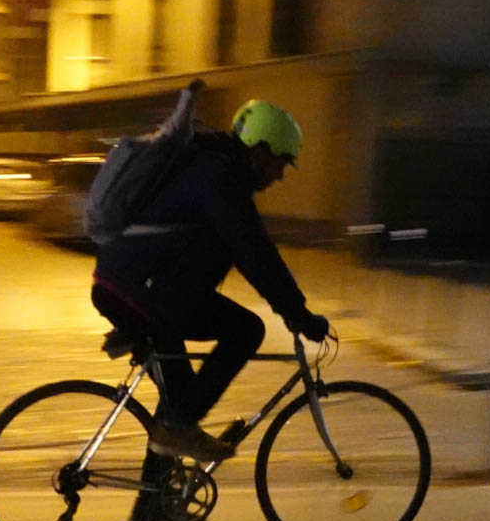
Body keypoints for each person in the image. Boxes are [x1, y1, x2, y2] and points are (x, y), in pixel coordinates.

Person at [90, 99, 331, 475]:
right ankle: (176, 433)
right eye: (281, 162)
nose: (281, 175)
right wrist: (297, 313)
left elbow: (249, 252)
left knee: (180, 401)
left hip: (139, 289)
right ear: (260, 151)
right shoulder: (219, 180)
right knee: (246, 331)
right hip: (138, 292)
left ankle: (155, 498)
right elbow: (255, 253)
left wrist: (291, 308)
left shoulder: (214, 170)